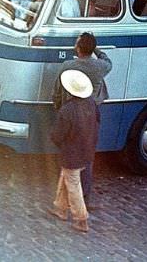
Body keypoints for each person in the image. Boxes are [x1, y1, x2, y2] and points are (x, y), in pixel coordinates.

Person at [51, 32, 111, 210]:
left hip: (71, 111)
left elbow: (57, 92)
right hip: (91, 111)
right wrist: (95, 48)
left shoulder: (68, 65)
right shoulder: (100, 67)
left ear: (77, 48)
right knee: (87, 157)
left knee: (69, 156)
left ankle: (71, 207)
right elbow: (108, 61)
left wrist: (60, 110)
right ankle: (83, 198)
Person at [48, 69, 99, 233]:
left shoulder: (67, 109)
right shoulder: (92, 103)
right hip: (87, 149)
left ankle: (81, 219)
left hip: (71, 152)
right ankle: (60, 208)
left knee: (73, 183)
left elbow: (58, 134)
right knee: (67, 177)